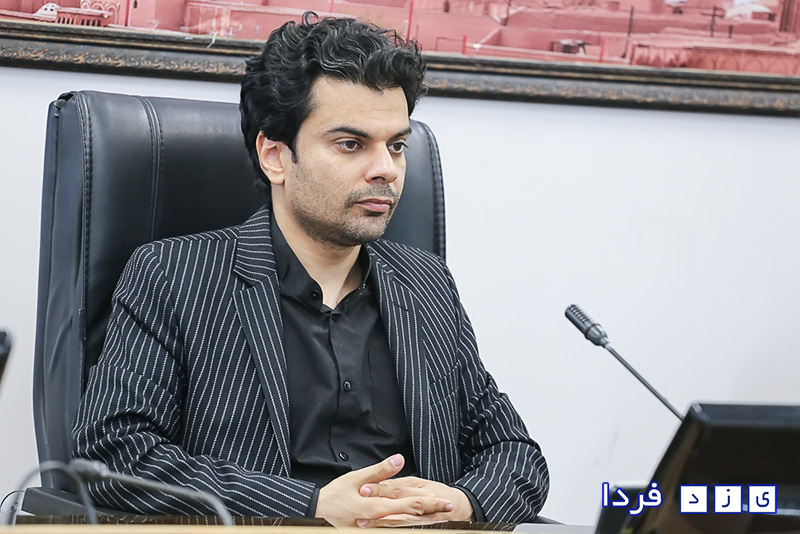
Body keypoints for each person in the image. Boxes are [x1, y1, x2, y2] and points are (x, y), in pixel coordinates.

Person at [72, 12, 549, 527]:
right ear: (275, 156)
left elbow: (514, 454)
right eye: (351, 144)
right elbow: (114, 452)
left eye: (396, 145)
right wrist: (309, 506)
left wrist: (461, 504)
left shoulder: (425, 284)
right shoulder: (175, 277)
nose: (386, 169)